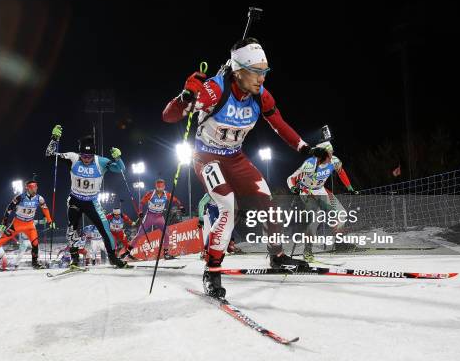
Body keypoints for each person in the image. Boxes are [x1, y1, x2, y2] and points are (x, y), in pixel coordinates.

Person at [163, 37, 312, 297]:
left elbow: (279, 123)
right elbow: (169, 116)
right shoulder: (215, 90)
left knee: (268, 204)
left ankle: (276, 256)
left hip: (235, 157)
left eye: (265, 71)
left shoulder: (260, 95)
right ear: (239, 71)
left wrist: (305, 148)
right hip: (206, 157)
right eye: (256, 72)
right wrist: (185, 96)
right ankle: (212, 270)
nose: (262, 78)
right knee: (227, 205)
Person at [45, 125, 128, 268]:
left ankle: (113, 258)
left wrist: (118, 158)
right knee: (72, 229)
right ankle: (75, 259)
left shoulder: (100, 161)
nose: (87, 159)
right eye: (84, 155)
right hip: (75, 200)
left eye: (89, 156)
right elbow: (49, 155)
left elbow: (120, 169)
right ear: (80, 153)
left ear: (93, 154)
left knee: (105, 229)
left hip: (92, 202)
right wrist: (54, 139)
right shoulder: (73, 157)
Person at [287, 140, 358, 261]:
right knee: (317, 217)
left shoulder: (334, 161)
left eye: (332, 152)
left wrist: (350, 188)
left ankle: (339, 243)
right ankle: (307, 251)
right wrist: (293, 188)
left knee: (341, 213)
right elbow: (291, 178)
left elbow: (341, 172)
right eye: (330, 152)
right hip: (307, 191)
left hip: (320, 190)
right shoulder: (310, 164)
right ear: (323, 154)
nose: (332, 154)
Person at [0, 180, 54, 269]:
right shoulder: (20, 197)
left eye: (36, 187)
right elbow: (9, 208)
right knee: (0, 242)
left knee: (35, 244)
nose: (34, 189)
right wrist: (4, 222)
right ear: (27, 188)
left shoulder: (40, 198)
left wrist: (50, 221)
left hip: (30, 225)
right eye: (32, 187)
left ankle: (35, 263)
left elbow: (45, 209)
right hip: (17, 224)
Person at [137, 179, 183, 259]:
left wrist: (181, 206)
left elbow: (176, 200)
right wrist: (140, 212)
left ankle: (166, 253)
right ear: (156, 187)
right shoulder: (151, 193)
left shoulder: (167, 194)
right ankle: (128, 251)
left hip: (159, 217)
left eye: (161, 188)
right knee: (139, 234)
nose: (160, 190)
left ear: (164, 187)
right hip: (150, 216)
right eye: (158, 188)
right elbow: (141, 203)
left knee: (167, 234)